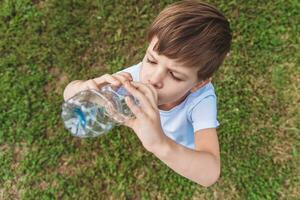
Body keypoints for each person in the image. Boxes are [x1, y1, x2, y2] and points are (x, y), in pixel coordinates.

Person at [63, 0, 232, 187]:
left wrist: (160, 144)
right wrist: (83, 88)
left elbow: (209, 173)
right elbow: (69, 94)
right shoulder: (134, 77)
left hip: (183, 146)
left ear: (199, 84)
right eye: (151, 60)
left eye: (174, 75)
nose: (153, 78)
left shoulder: (201, 101)